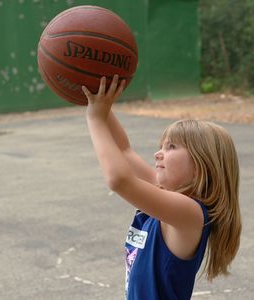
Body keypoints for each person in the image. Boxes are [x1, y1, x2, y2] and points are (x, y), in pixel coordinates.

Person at [82, 75, 242, 300]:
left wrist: (95, 119)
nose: (158, 154)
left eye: (171, 147)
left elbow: (119, 180)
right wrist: (101, 104)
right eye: (161, 146)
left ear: (200, 165)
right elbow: (124, 150)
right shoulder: (170, 198)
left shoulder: (190, 213)